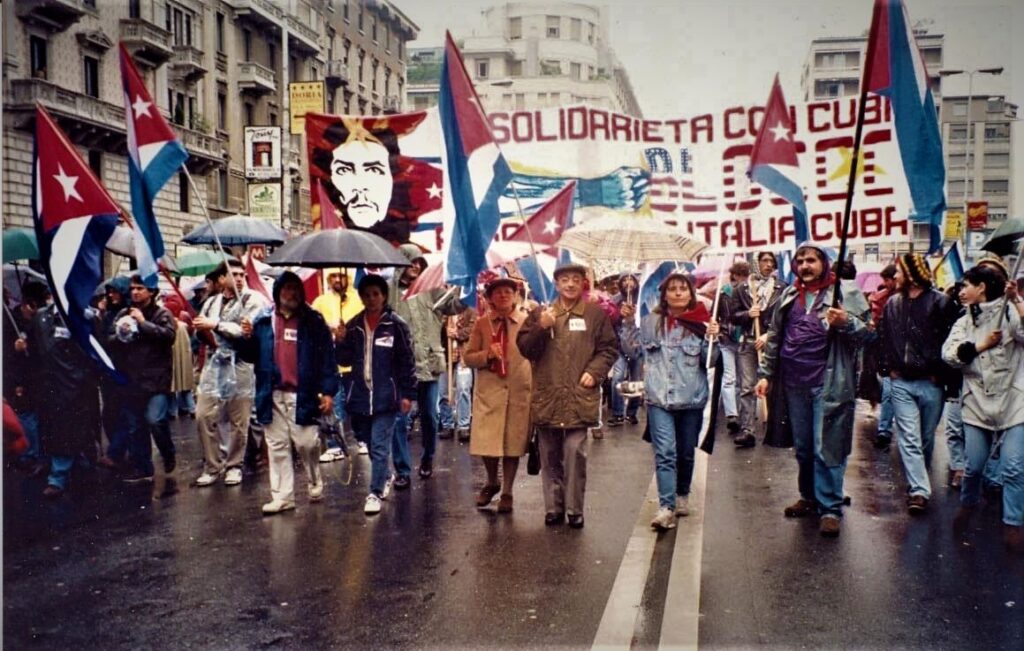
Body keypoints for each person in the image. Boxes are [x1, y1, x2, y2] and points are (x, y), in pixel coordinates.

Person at [755, 243, 867, 537]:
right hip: (793, 384)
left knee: (825, 446)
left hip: (828, 384)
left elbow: (869, 334)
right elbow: (776, 339)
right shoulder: (789, 296)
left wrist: (846, 322)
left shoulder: (844, 293)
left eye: (811, 260)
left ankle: (830, 508)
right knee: (803, 448)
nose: (805, 265)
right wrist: (766, 374)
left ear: (824, 263)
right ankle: (809, 496)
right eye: (800, 261)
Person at [517, 262, 619, 529]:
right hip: (548, 394)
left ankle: (574, 509)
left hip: (579, 395)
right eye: (565, 280)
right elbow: (526, 349)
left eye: (576, 279)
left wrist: (595, 372)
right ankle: (553, 507)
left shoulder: (595, 315)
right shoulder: (541, 312)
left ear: (583, 283)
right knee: (549, 453)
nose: (571, 284)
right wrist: (541, 326)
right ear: (556, 283)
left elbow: (608, 348)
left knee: (575, 451)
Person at [619, 274, 720, 530]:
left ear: (690, 293)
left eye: (682, 289)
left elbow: (710, 362)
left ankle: (682, 493)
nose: (677, 293)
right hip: (659, 399)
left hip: (691, 399)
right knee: (665, 453)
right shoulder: (651, 322)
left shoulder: (701, 323)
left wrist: (713, 338)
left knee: (686, 453)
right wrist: (628, 323)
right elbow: (633, 352)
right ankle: (666, 507)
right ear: (664, 295)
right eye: (671, 289)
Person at [240, 272, 338, 515]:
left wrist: (328, 391)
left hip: (302, 394)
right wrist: (246, 337)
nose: (291, 293)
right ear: (277, 292)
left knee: (306, 443)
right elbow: (249, 355)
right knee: (277, 446)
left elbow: (326, 357)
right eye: (286, 289)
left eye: (296, 288)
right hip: (271, 394)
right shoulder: (263, 320)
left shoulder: (313, 321)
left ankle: (314, 476)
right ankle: (283, 497)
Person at [944, 266, 1024, 553]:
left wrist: (1016, 300)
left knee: (1014, 468)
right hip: (977, 404)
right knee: (974, 466)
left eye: (967, 285)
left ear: (983, 287)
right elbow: (950, 355)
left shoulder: (1010, 311)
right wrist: (980, 345)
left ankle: (1013, 523)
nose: (961, 291)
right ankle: (967, 506)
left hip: (1014, 402)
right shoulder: (963, 322)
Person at [876, 253, 958, 514]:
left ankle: (918, 481)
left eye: (899, 272)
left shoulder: (942, 303)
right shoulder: (892, 304)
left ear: (911, 274)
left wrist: (941, 374)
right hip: (901, 382)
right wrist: (888, 368)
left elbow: (951, 340)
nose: (895, 277)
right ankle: (919, 491)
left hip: (931, 383)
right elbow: (884, 337)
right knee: (909, 437)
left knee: (924, 438)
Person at [335, 274, 416, 516]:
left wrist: (407, 394)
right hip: (360, 395)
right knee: (368, 441)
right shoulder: (352, 325)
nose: (371, 299)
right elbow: (344, 360)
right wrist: (339, 340)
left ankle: (375, 492)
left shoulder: (396, 325)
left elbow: (406, 361)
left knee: (380, 446)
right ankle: (386, 475)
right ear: (361, 297)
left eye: (376, 294)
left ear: (384, 296)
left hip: (386, 396)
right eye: (367, 295)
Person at [389, 244, 465, 481]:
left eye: (419, 263)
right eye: (411, 262)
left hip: (429, 364)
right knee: (399, 418)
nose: (416, 266)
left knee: (430, 416)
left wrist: (462, 285)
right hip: (399, 367)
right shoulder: (389, 291)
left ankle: (428, 457)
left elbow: (453, 306)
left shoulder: (431, 289)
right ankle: (402, 469)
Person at [192, 259, 266, 487]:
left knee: (239, 419)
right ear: (222, 278)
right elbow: (200, 329)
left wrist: (215, 325)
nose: (240, 278)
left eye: (242, 274)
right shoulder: (211, 301)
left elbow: (246, 331)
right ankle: (212, 465)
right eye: (234, 274)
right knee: (203, 414)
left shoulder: (252, 299)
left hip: (241, 362)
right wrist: (201, 331)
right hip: (215, 363)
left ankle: (235, 465)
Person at [462, 278, 532, 513]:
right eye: (498, 292)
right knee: (488, 442)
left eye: (508, 291)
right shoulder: (482, 324)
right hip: (490, 391)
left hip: (517, 390)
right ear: (490, 298)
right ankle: (492, 481)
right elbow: (468, 357)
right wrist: (487, 355)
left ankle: (508, 491)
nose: (503, 295)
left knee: (513, 443)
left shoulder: (526, 322)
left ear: (515, 295)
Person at [26, 300, 102, 497]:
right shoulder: (41, 315)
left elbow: (95, 349)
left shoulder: (84, 315)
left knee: (71, 427)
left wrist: (82, 376)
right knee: (55, 428)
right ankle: (74, 465)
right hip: (48, 385)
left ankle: (59, 476)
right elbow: (34, 349)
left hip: (75, 384)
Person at [107, 275, 177, 483]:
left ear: (152, 291)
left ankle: (168, 452)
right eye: (133, 288)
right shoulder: (123, 313)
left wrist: (143, 323)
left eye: (140, 288)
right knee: (135, 426)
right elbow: (110, 339)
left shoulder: (162, 313)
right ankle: (143, 467)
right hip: (132, 380)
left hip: (156, 380)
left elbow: (168, 336)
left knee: (155, 420)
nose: (135, 292)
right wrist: (123, 333)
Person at [730, 251, 786, 448]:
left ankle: (773, 428)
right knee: (747, 386)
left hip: (770, 343)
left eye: (772, 261)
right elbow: (733, 316)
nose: (768, 265)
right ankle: (747, 429)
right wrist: (747, 314)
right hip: (748, 343)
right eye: (764, 261)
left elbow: (784, 318)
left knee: (770, 385)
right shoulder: (742, 289)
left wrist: (768, 335)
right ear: (756, 263)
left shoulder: (782, 289)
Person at [311, 269, 362, 461]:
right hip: (331, 363)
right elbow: (312, 326)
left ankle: (361, 438)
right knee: (335, 404)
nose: (337, 280)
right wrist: (328, 327)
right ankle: (335, 444)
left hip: (355, 362)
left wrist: (346, 331)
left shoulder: (357, 299)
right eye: (333, 277)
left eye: (340, 276)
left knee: (357, 403)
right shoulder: (320, 302)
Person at [3, 281, 49, 473]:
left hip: (35, 376)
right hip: (20, 377)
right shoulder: (9, 319)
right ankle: (29, 453)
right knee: (26, 415)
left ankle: (35, 454)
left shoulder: (36, 320)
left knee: (32, 416)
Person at [866, 264, 898, 449]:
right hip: (889, 355)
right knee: (888, 393)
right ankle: (884, 430)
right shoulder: (882, 298)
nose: (885, 283)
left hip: (909, 358)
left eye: (887, 279)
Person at [609, 273, 642, 428]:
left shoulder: (643, 299)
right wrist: (619, 315)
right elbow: (609, 319)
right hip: (619, 344)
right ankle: (617, 413)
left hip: (637, 343)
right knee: (618, 377)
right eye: (625, 280)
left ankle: (632, 412)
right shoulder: (615, 300)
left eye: (631, 279)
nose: (628, 283)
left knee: (636, 380)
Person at [163, 294, 196, 419]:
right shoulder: (184, 322)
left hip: (171, 356)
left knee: (172, 385)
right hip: (185, 356)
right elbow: (192, 332)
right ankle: (190, 408)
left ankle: (172, 411)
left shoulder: (168, 324)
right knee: (185, 385)